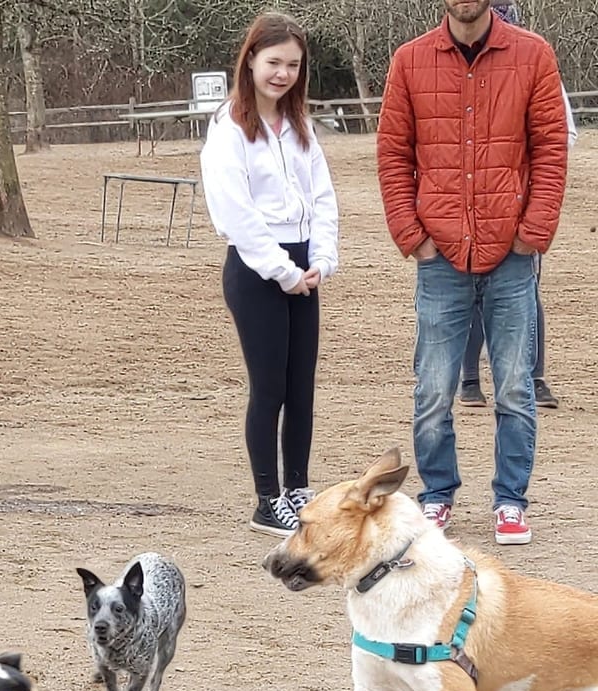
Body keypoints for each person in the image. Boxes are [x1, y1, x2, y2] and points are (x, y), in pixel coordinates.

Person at [377, 0, 568, 545]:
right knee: (433, 388)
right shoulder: (409, 61)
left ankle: (511, 500)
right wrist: (412, 236)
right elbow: (393, 153)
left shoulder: (533, 55)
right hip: (440, 253)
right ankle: (437, 494)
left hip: (511, 253)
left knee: (514, 386)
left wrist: (531, 233)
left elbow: (550, 150)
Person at [200, 12, 339, 537]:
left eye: (293, 65)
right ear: (251, 60)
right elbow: (237, 212)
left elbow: (322, 196)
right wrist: (283, 272)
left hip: (304, 264)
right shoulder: (230, 127)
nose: (282, 73)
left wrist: (320, 259)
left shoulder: (300, 125)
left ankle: (298, 488)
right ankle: (266, 498)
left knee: (301, 384)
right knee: (270, 388)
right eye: (274, 62)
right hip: (258, 269)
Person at [460, 13, 577, 411]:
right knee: (470, 294)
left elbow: (562, 135)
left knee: (527, 297)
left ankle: (535, 377)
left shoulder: (535, 62)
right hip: (470, 208)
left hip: (517, 210)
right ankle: (470, 379)